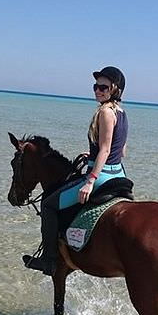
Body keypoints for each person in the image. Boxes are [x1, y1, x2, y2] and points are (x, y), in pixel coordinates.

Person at [23, 66, 129, 275]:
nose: (98, 90)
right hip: (119, 173)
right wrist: (91, 155)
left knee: (48, 205)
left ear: (115, 89)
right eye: (96, 86)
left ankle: (49, 260)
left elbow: (106, 149)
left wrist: (90, 180)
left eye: (103, 87)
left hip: (102, 176)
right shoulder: (121, 112)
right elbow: (121, 150)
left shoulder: (105, 113)